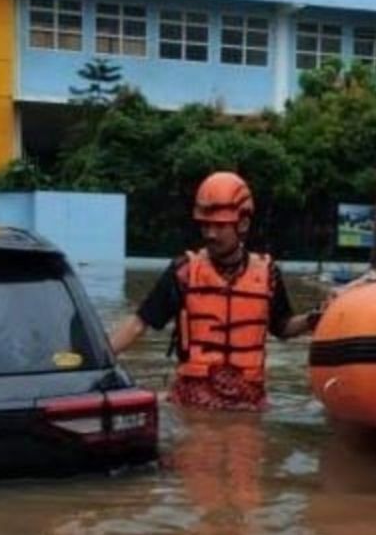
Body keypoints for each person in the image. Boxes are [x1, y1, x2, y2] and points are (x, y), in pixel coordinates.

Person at [109, 171, 322, 411]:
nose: (211, 233)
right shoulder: (183, 272)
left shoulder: (268, 274)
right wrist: (98, 358)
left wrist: (313, 318)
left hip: (248, 402)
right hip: (194, 399)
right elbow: (139, 324)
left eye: (220, 226)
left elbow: (283, 327)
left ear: (243, 224)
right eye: (205, 225)